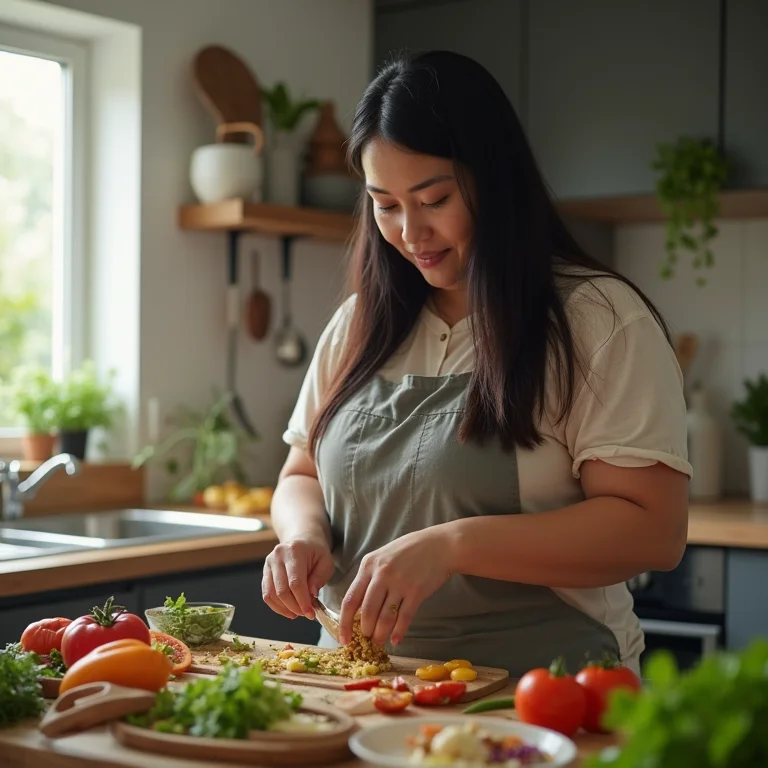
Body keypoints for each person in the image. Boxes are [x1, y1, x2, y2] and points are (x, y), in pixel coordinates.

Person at [261, 49, 691, 677]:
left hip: (546, 691)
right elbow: (301, 472)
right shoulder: (358, 325)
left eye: (434, 199)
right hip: (362, 689)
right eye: (386, 205)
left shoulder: (595, 319)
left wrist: (455, 544)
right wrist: (303, 536)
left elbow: (653, 531)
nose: (411, 233)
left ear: (495, 181)